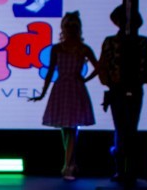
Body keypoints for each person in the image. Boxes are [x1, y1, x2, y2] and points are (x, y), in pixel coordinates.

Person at [29, 10, 98, 180]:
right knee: (64, 126)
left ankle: (68, 166)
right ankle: (71, 162)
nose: (70, 29)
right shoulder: (57, 49)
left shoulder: (83, 49)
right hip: (61, 88)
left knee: (72, 126)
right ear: (63, 28)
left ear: (78, 28)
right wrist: (42, 93)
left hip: (75, 88)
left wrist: (85, 79)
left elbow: (98, 67)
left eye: (73, 26)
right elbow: (50, 72)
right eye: (67, 26)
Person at [97, 4, 147, 185]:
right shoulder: (111, 42)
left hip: (133, 89)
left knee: (129, 129)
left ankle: (129, 170)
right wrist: (110, 83)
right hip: (117, 90)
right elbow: (103, 66)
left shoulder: (142, 42)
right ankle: (121, 169)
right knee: (122, 129)